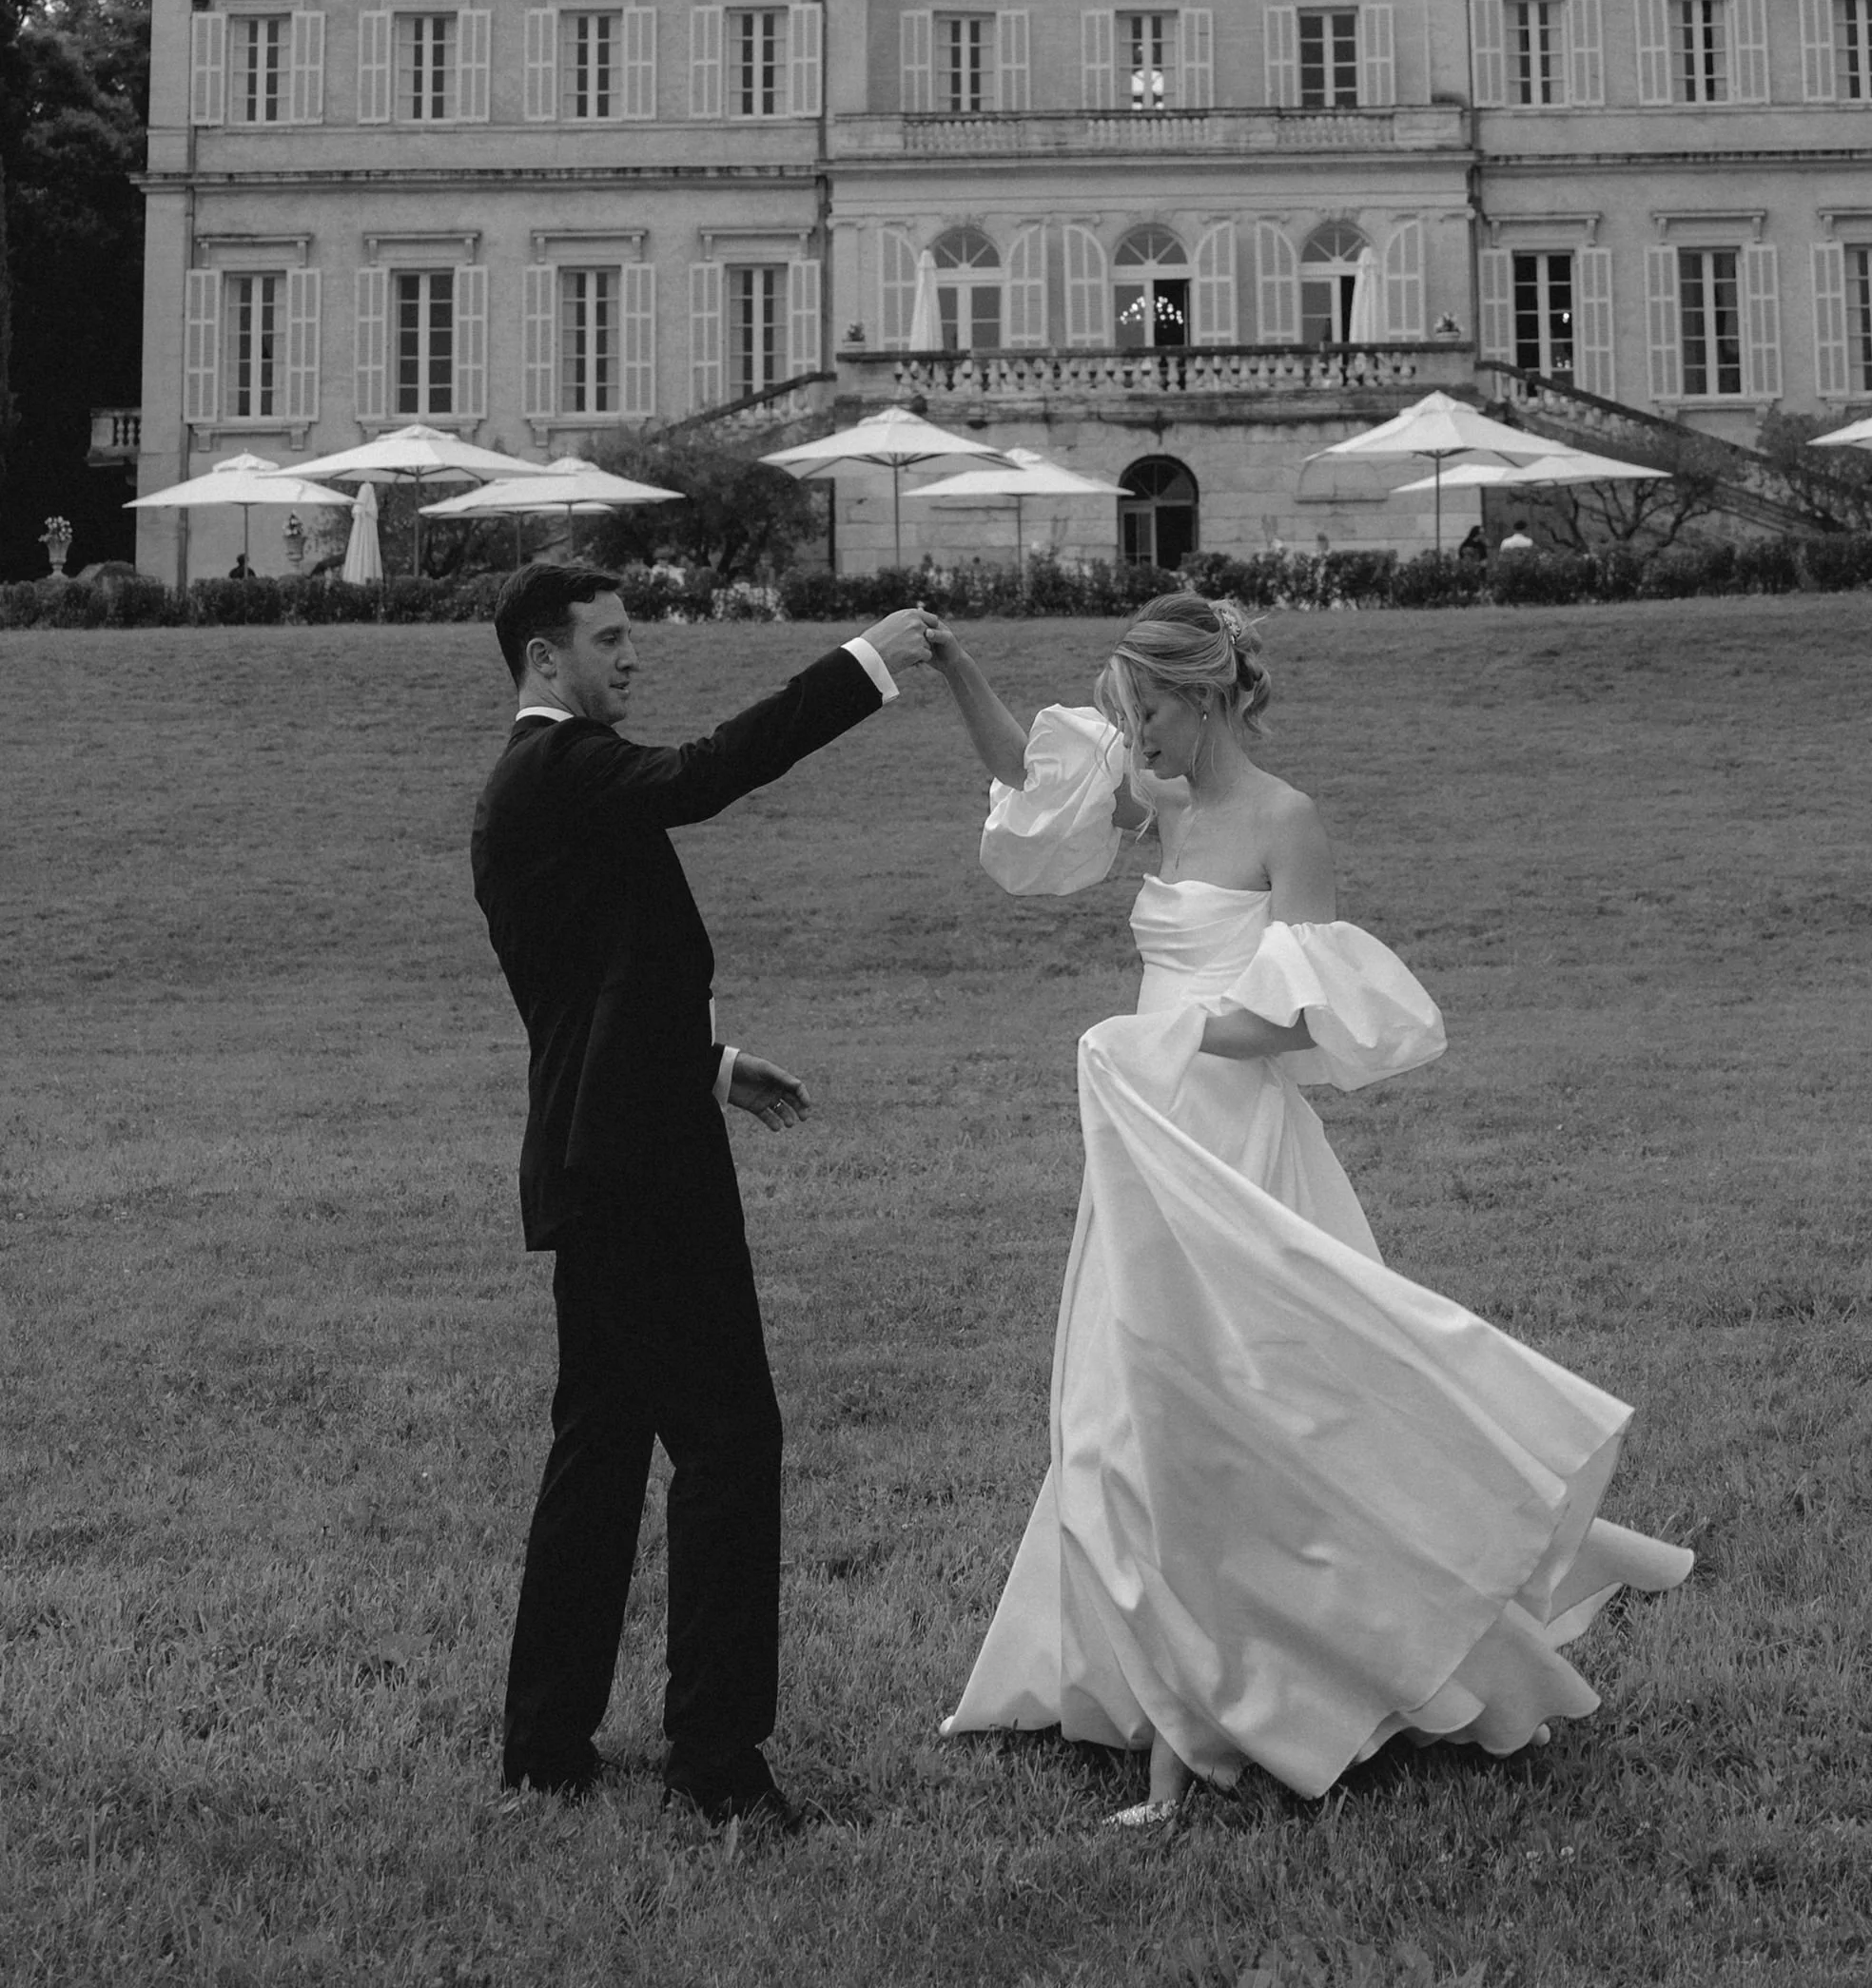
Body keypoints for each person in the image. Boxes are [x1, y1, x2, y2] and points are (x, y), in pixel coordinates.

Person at [926, 593, 1690, 1825]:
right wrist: (956, 664)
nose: (1137, 739)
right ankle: (1171, 1714)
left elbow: (1295, 1016)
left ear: (1209, 694)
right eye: (1126, 718)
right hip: (1147, 1140)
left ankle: (1322, 1677)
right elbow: (1031, 774)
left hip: (1236, 1147)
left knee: (1288, 1419)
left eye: (1150, 712)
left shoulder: (1288, 823)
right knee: (1133, 1414)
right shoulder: (1159, 797)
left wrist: (1160, 1032)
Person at [472, 559, 932, 1828]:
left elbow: (591, 984)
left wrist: (710, 1064)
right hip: (640, 1168)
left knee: (606, 1444)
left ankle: (545, 1741)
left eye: (632, 637)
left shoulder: (547, 788)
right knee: (730, 1444)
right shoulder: (563, 770)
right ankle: (718, 1767)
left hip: (601, 1148)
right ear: (541, 661)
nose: (632, 658)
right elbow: (708, 775)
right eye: (608, 639)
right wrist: (867, 663)